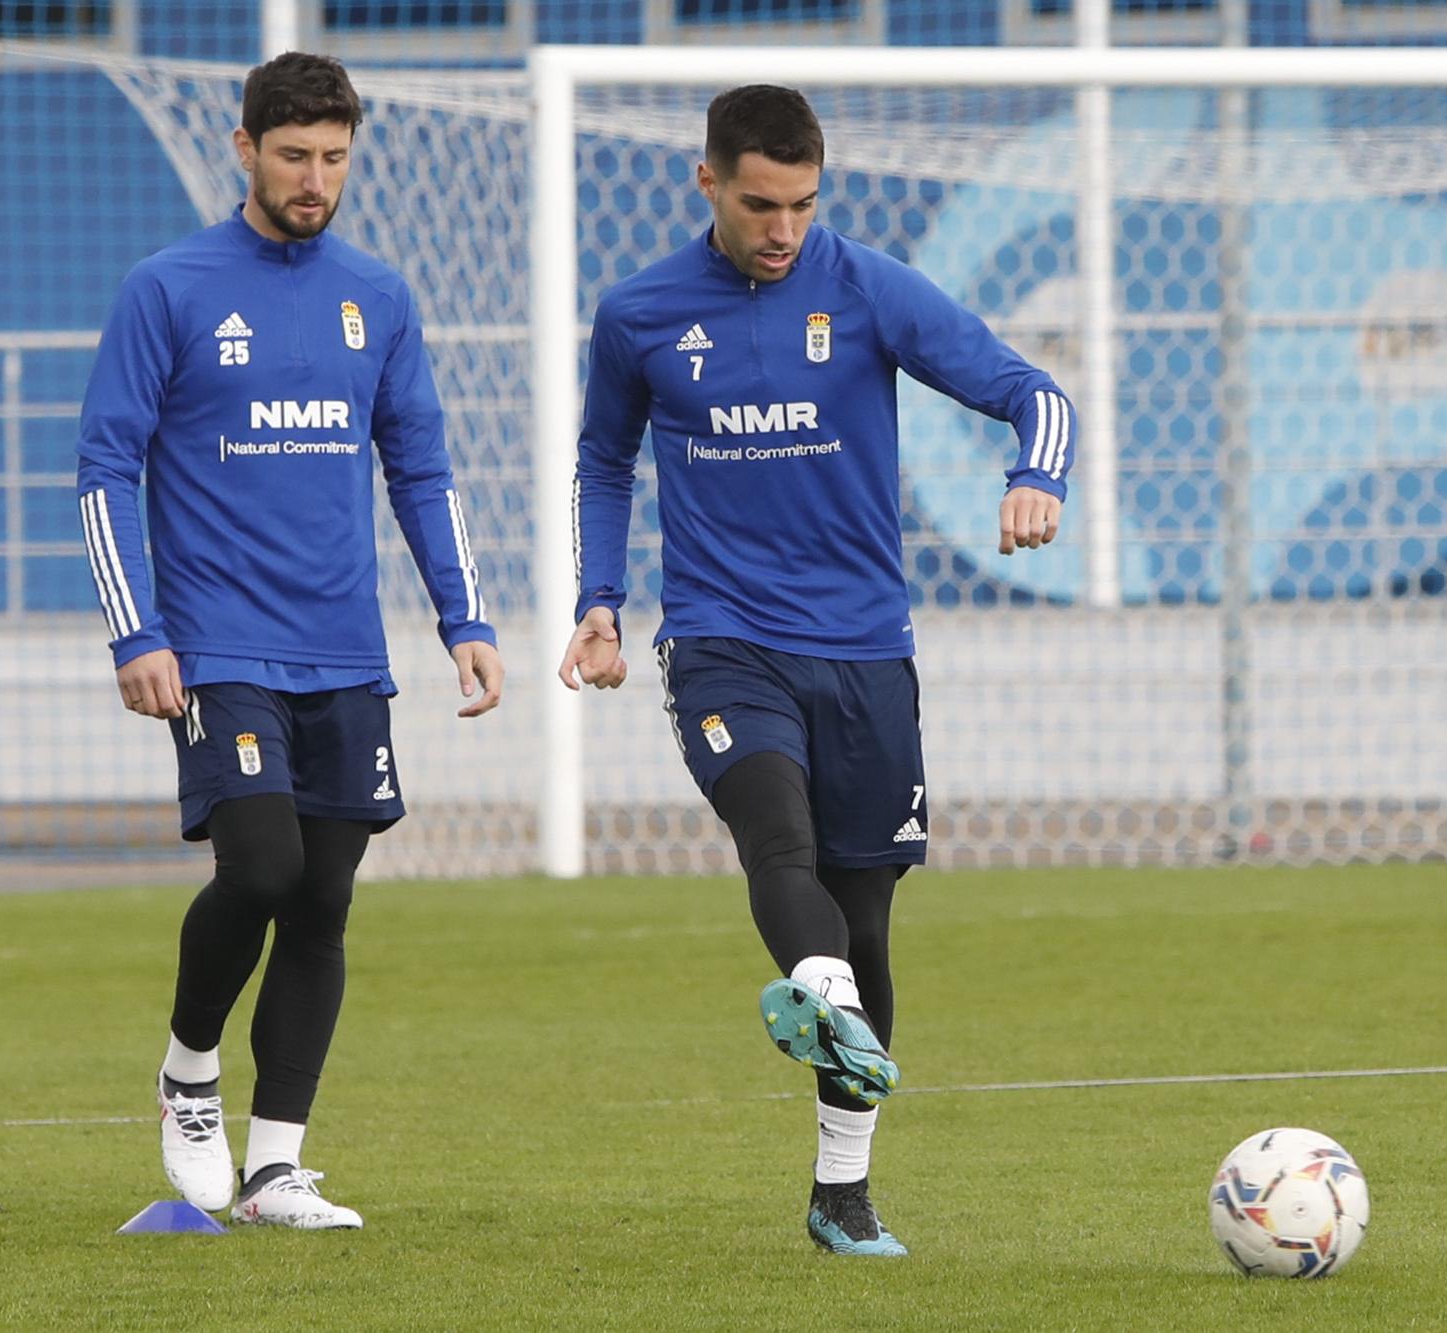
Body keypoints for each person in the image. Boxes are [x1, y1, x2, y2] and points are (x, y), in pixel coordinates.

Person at [557, 84, 1073, 1257]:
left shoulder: (868, 288)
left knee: (865, 924)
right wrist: (598, 602)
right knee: (772, 837)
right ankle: (825, 1005)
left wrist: (1032, 476)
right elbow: (602, 461)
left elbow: (1032, 393)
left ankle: (841, 1189)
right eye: (756, 203)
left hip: (864, 653)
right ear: (707, 183)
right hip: (722, 641)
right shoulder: (639, 314)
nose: (780, 227)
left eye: (798, 203)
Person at [76, 51, 503, 1230]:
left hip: (344, 655)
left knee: (319, 904)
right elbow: (105, 465)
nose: (315, 180)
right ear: (245, 151)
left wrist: (462, 617)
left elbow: (418, 463)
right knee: (257, 870)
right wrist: (135, 630)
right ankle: (187, 1071)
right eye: (294, 156)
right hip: (215, 648)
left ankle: (275, 1169)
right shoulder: (167, 289)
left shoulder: (379, 293)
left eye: (333, 160)